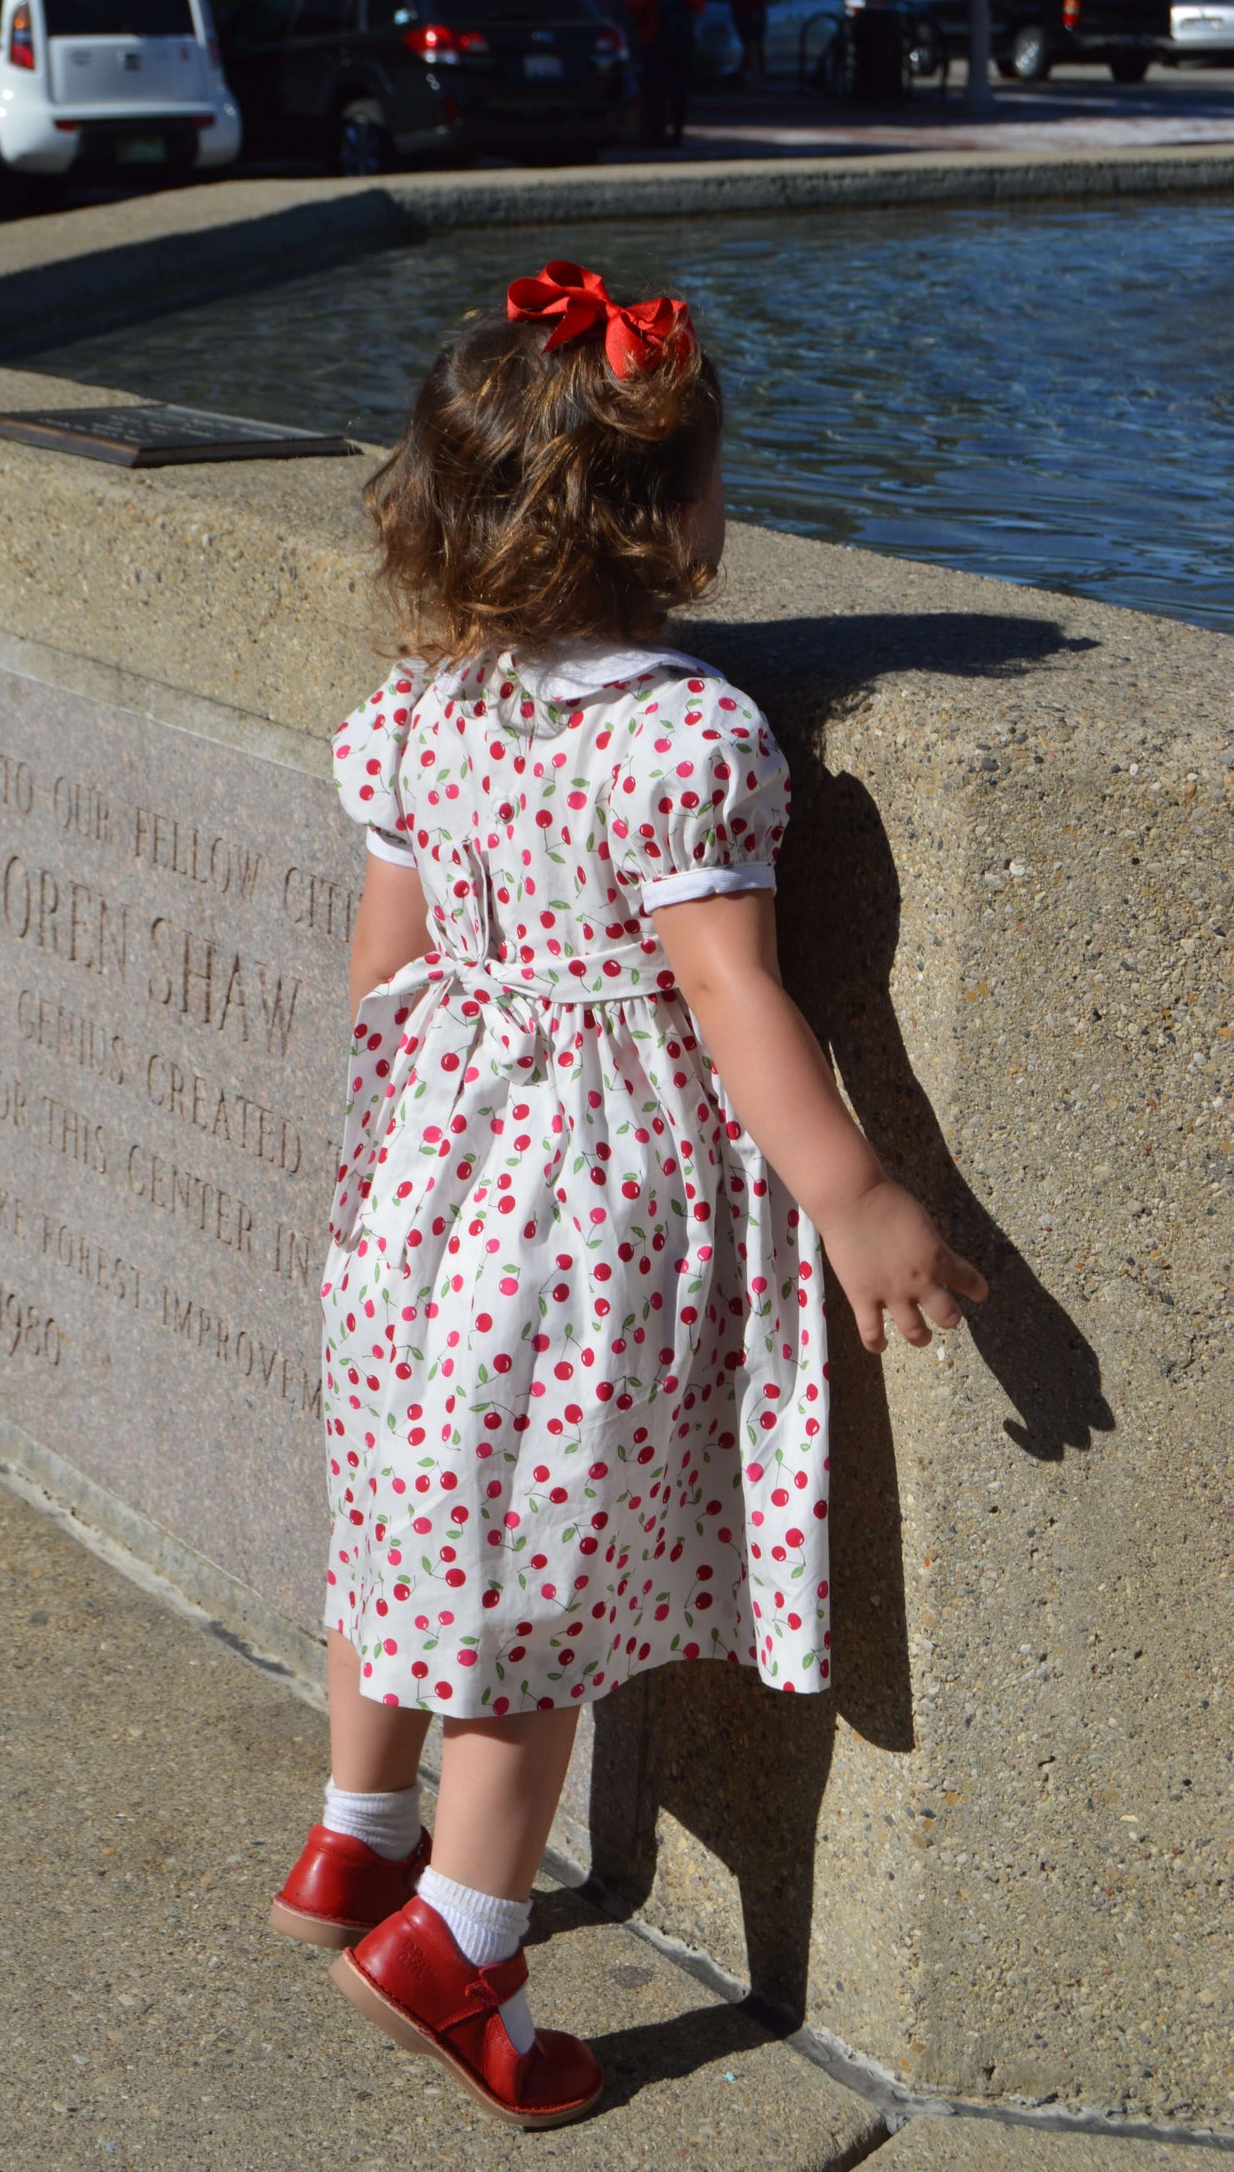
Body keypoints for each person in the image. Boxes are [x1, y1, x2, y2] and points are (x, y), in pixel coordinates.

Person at [271, 262, 987, 2130]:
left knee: (408, 1525)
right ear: (670, 514)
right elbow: (740, 1001)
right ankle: (462, 1935)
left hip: (427, 1171)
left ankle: (351, 1832)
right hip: (584, 1208)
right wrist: (860, 1199)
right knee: (537, 1608)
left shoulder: (423, 710)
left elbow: (382, 957)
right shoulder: (685, 739)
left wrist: (403, 1146)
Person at [627, 0, 705, 148]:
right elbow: (699, 6)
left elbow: (634, 7)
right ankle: (676, 134)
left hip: (655, 39)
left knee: (656, 90)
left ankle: (657, 135)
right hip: (680, 41)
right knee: (678, 90)